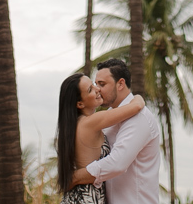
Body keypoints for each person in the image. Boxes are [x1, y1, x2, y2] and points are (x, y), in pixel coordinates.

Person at [72, 58, 161, 204]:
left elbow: (116, 164)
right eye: (95, 84)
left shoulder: (139, 118)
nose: (97, 89)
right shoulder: (107, 119)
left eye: (102, 84)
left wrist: (75, 178)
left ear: (120, 84)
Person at [57, 70, 146, 204]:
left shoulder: (73, 126)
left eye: (94, 84)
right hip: (87, 198)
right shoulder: (90, 122)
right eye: (90, 90)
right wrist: (137, 96)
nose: (97, 89)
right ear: (80, 104)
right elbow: (137, 106)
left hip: (75, 197)